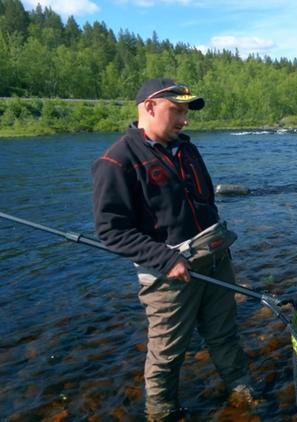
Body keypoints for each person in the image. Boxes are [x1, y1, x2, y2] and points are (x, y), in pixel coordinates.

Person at [91, 78, 253, 420]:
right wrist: (165, 259)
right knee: (166, 355)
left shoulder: (188, 149)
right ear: (149, 106)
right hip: (168, 277)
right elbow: (111, 230)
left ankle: (243, 394)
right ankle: (161, 413)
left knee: (225, 335)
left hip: (215, 261)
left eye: (185, 112)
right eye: (176, 110)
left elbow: (205, 201)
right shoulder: (116, 161)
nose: (184, 119)